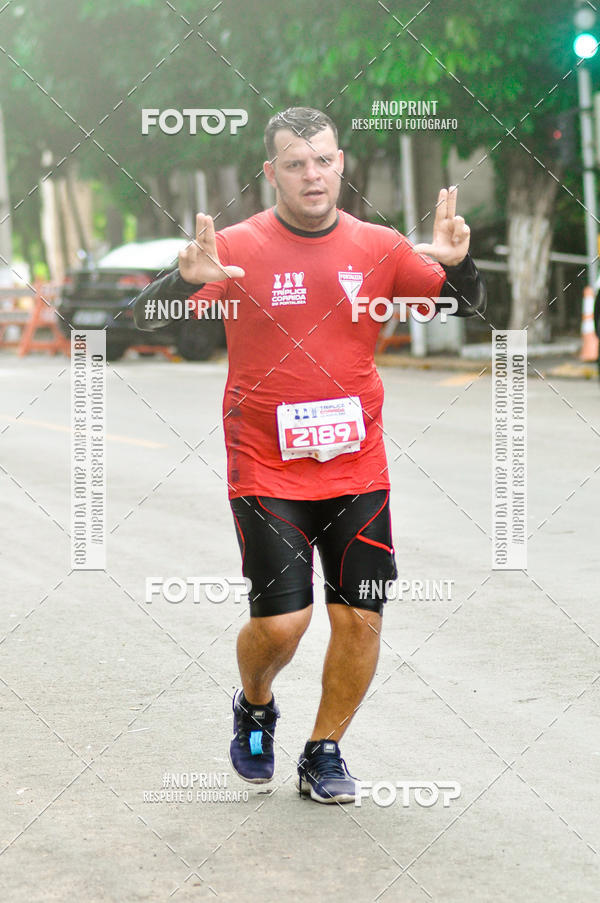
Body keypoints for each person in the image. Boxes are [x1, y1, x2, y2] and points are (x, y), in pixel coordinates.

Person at [133, 107, 486, 804]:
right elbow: (143, 321)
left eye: (322, 160)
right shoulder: (235, 247)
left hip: (358, 467)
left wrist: (460, 261)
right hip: (265, 465)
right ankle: (256, 704)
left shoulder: (380, 247)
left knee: (362, 613)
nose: (312, 174)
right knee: (283, 621)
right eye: (295, 163)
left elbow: (469, 306)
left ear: (341, 162)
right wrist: (180, 281)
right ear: (272, 174)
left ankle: (324, 750)